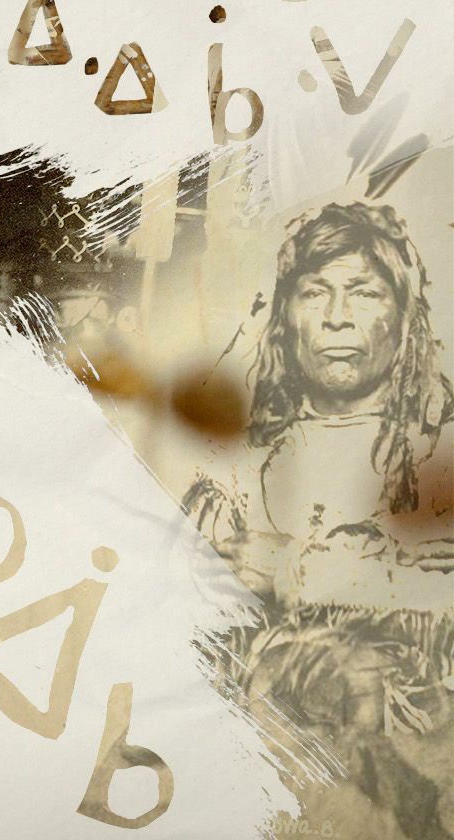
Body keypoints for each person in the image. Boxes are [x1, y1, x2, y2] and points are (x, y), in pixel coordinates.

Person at [184, 202, 452, 840]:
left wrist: (311, 574)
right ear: (286, 316)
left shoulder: (442, 452)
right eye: (316, 293)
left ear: (404, 317)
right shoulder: (236, 463)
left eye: (363, 292)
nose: (336, 317)